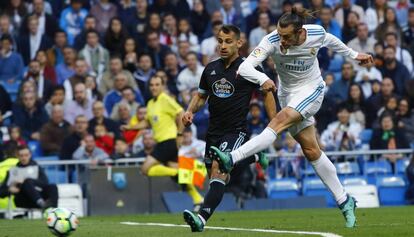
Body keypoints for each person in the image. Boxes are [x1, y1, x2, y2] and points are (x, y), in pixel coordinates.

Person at [210, 7, 374, 228]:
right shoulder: (272, 40)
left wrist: (354, 55)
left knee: (278, 120)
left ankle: (232, 158)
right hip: (287, 93)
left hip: (312, 90)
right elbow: (245, 67)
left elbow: (330, 40)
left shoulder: (315, 33)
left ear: (300, 32)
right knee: (311, 150)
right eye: (280, 34)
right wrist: (261, 79)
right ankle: (345, 200)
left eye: (287, 36)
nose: (282, 40)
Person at [182, 25, 275, 232]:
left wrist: (274, 123)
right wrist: (190, 111)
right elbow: (200, 96)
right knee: (217, 175)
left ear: (239, 43)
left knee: (219, 170)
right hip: (213, 132)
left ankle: (201, 219)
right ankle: (255, 157)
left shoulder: (250, 68)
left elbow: (267, 91)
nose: (222, 45)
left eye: (228, 41)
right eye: (220, 41)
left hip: (236, 130)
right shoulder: (210, 69)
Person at [121, 75, 204, 209]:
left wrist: (179, 134)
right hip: (162, 142)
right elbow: (147, 122)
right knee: (178, 175)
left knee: (145, 169)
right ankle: (198, 199)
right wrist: (131, 127)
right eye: (152, 85)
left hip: (168, 141)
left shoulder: (165, 99)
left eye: (157, 84)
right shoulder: (150, 103)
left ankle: (181, 172)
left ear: (162, 86)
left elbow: (182, 113)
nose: (154, 87)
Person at [0, 145, 58, 210]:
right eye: (21, 155)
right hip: (23, 200)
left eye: (26, 155)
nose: (24, 158)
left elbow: (45, 183)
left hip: (38, 195)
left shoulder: (36, 167)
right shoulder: (13, 171)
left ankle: (53, 210)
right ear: (17, 156)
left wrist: (30, 181)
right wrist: (9, 190)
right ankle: (43, 204)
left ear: (30, 155)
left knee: (53, 186)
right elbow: (1, 192)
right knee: (27, 182)